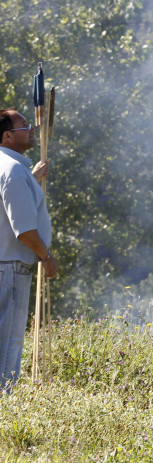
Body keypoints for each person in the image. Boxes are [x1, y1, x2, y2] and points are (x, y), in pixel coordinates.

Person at [0, 108, 58, 391]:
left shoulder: (11, 168)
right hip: (9, 268)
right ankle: (4, 402)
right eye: (24, 126)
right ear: (7, 135)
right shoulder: (12, 171)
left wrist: (31, 177)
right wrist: (46, 258)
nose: (30, 130)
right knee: (9, 340)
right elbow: (23, 230)